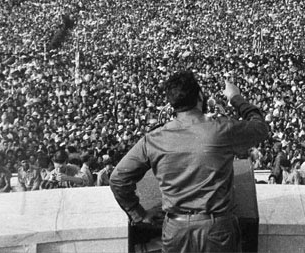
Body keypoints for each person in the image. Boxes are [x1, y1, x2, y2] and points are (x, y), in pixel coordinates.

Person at [109, 72, 269, 253]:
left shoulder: (154, 138)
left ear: (172, 103)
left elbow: (118, 179)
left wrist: (138, 214)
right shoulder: (221, 129)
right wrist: (235, 97)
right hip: (217, 230)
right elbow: (261, 128)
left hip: (175, 231)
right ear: (200, 96)